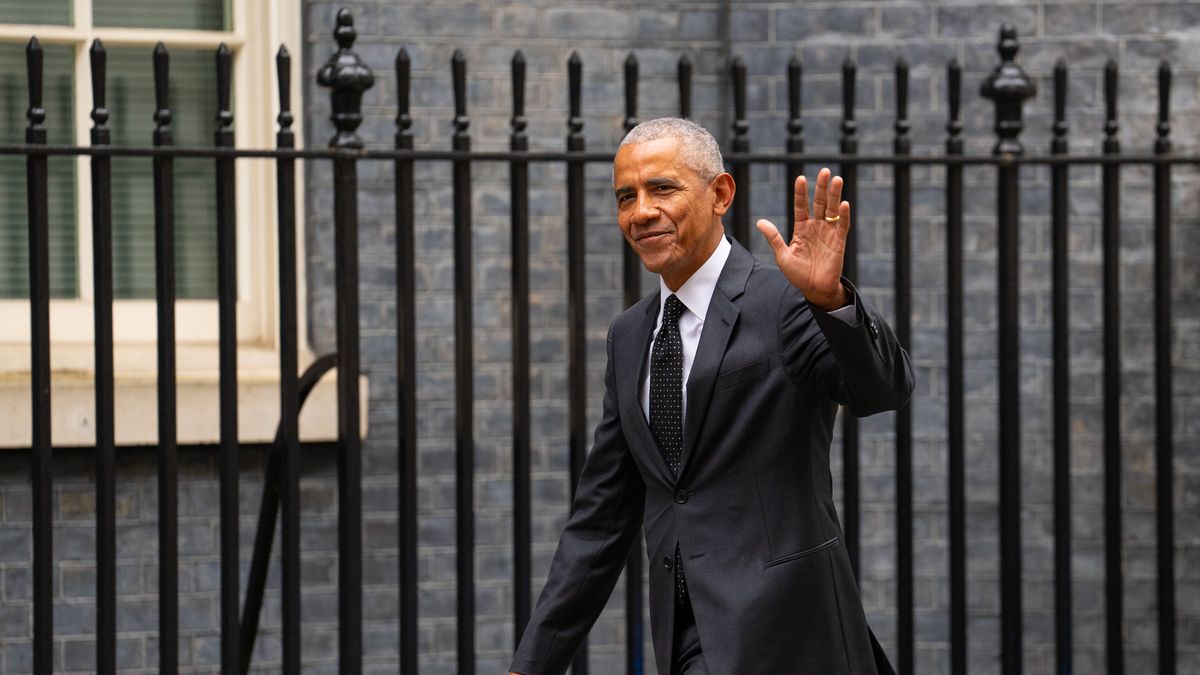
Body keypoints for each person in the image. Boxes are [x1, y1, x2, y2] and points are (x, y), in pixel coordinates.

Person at [509, 117, 912, 675]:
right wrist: (532, 665)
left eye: (662, 188)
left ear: (720, 193)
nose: (641, 211)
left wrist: (832, 301)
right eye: (626, 196)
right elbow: (601, 519)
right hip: (688, 641)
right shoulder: (629, 337)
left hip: (794, 637)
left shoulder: (785, 302)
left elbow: (883, 389)